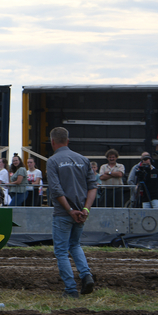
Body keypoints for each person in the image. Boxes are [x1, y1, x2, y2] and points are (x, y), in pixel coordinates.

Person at [47, 127, 97, 299]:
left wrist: (69, 210)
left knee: (61, 251)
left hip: (63, 213)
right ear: (68, 141)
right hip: (81, 213)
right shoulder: (83, 160)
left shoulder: (53, 161)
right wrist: (85, 209)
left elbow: (55, 189)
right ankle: (86, 275)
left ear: (52, 142)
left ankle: (70, 290)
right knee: (75, 245)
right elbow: (93, 186)